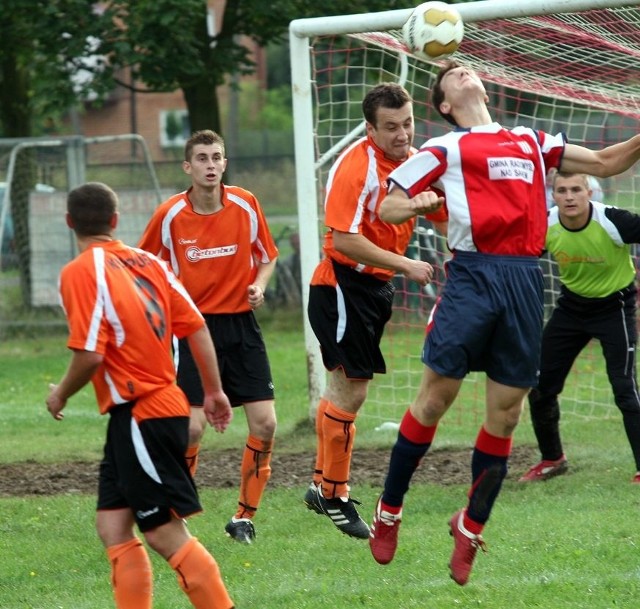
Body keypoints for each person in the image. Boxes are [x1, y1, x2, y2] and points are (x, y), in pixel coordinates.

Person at [367, 60, 640, 585]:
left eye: (467, 66)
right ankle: (389, 510)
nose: (463, 71)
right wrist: (414, 203)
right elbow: (388, 206)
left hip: (522, 280)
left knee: (507, 416)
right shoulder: (444, 148)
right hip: (472, 277)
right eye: (451, 74)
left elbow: (606, 162)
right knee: (434, 399)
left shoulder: (531, 140)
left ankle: (469, 527)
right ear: (444, 104)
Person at [46, 182, 234, 609]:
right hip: (140, 416)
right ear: (115, 221)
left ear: (69, 223)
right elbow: (197, 325)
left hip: (142, 413)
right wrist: (213, 391)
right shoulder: (149, 261)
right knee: (112, 526)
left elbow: (91, 355)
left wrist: (60, 394)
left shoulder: (81, 270)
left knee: (163, 531)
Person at [302, 82, 447, 539]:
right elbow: (342, 240)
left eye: (407, 123)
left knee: (340, 390)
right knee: (352, 393)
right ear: (370, 128)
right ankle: (335, 496)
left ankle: (319, 485)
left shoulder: (417, 160)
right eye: (390, 127)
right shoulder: (356, 166)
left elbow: (441, 210)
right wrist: (405, 264)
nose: (402, 134)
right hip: (343, 285)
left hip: (371, 290)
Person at [138, 129, 278, 544]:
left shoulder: (246, 204)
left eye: (217, 157)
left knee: (266, 423)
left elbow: (267, 257)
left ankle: (244, 517)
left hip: (241, 328)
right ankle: (175, 510)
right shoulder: (169, 215)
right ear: (188, 167)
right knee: (193, 430)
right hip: (193, 331)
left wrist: (260, 286)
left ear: (225, 164)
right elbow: (145, 268)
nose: (210, 165)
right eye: (202, 158)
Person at [519, 171, 640, 483]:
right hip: (571, 309)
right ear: (553, 195)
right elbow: (517, 258)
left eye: (576, 189)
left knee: (625, 389)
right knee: (541, 385)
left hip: (615, 308)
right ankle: (552, 459)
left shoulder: (614, 221)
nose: (569, 196)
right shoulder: (545, 224)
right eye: (562, 190)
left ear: (590, 192)